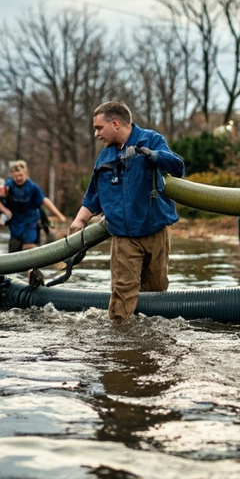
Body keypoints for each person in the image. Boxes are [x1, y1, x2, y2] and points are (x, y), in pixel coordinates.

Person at [69, 101, 185, 321]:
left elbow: (177, 167)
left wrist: (154, 156)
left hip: (156, 232)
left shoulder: (151, 140)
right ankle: (121, 346)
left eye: (98, 128)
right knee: (123, 296)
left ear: (115, 123)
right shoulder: (104, 157)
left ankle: (151, 343)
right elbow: (93, 195)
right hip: (124, 237)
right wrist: (79, 221)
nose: (96, 134)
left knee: (157, 293)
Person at [0, 160, 67, 252]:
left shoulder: (33, 188)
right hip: (16, 223)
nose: (18, 178)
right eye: (16, 176)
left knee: (30, 246)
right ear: (13, 175)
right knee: (14, 249)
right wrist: (5, 210)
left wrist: (59, 216)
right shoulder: (8, 186)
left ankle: (32, 262)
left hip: (31, 222)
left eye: (21, 176)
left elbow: (45, 201)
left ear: (26, 174)